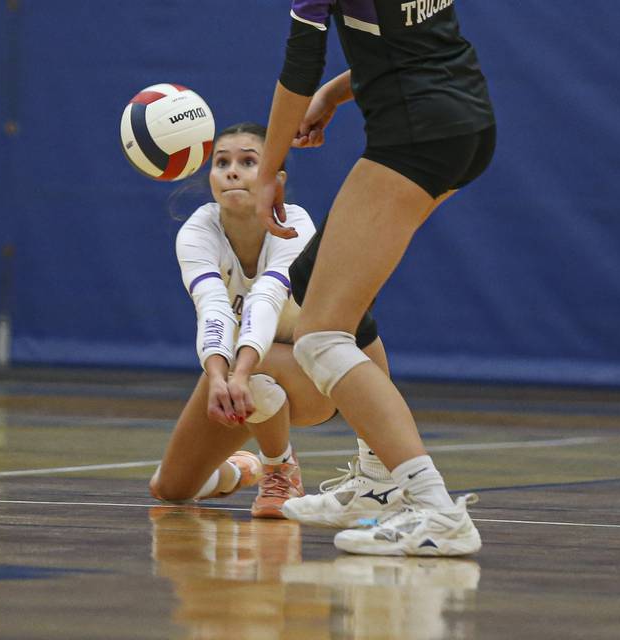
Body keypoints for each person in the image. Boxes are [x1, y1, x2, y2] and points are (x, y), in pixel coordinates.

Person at [254, 2, 496, 555]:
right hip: (468, 121)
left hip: (416, 136)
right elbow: (408, 41)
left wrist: (269, 171)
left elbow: (301, 62)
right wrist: (336, 96)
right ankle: (379, 483)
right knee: (320, 282)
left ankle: (436, 511)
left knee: (319, 336)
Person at [149, 122, 393, 518]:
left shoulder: (295, 225)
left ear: (276, 179)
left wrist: (235, 373)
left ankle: (282, 470)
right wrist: (217, 378)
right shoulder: (197, 231)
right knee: (169, 488)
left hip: (317, 378)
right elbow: (210, 306)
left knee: (248, 358)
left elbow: (264, 301)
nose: (232, 171)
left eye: (248, 161)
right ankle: (246, 467)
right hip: (245, 377)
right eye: (221, 162)